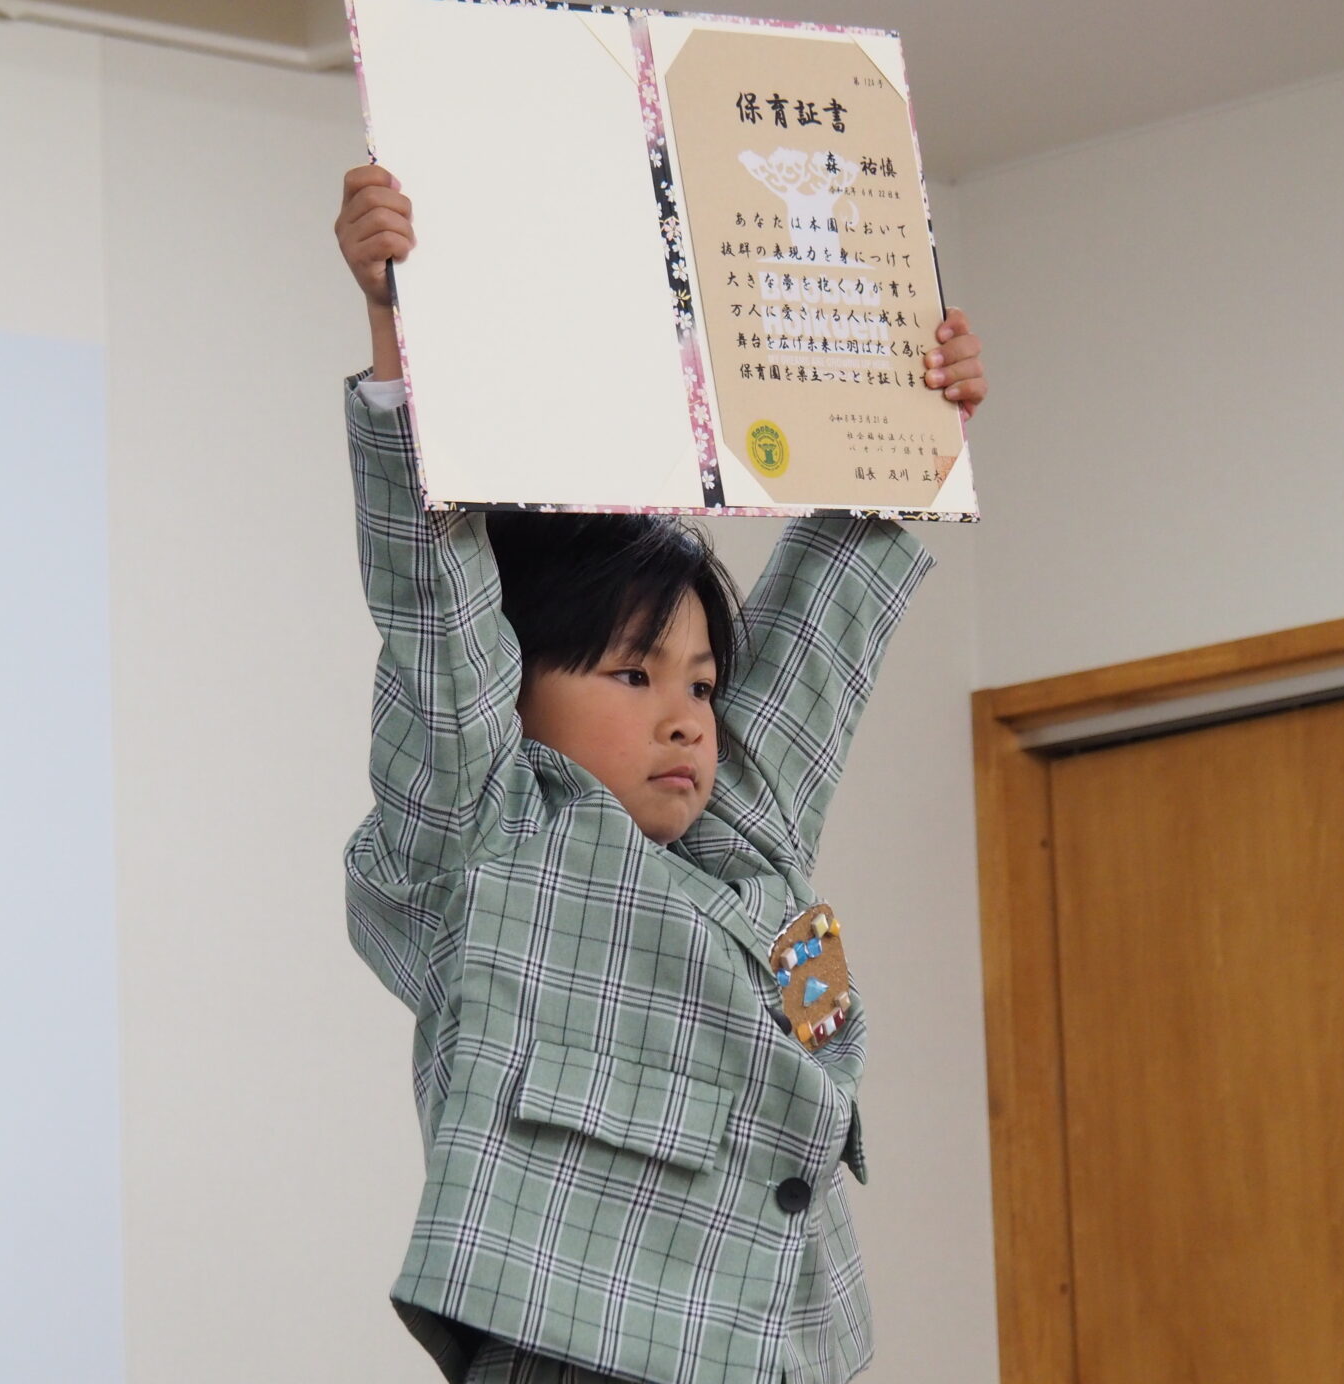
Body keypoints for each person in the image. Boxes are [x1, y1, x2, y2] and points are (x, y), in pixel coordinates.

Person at [334, 164, 984, 1384]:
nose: (686, 718)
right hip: (580, 1354)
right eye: (634, 676)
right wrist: (395, 333)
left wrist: (907, 420)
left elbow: (823, 632)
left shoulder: (742, 838)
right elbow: (437, 609)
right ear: (516, 680)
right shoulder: (492, 837)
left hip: (782, 1356)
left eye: (702, 683)